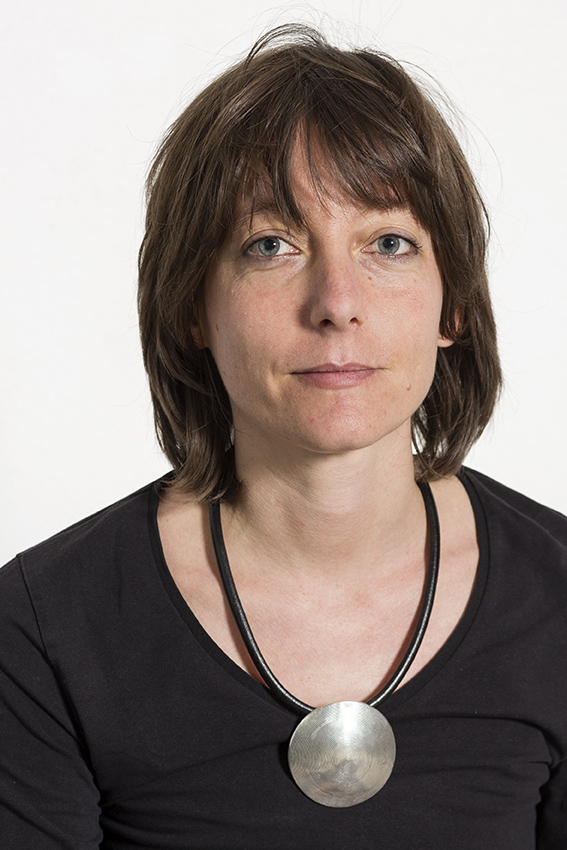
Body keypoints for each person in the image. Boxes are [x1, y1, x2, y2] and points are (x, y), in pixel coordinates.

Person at [1, 23, 566, 849]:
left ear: (452, 305)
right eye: (271, 245)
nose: (336, 302)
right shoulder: (42, 629)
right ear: (191, 306)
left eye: (388, 243)